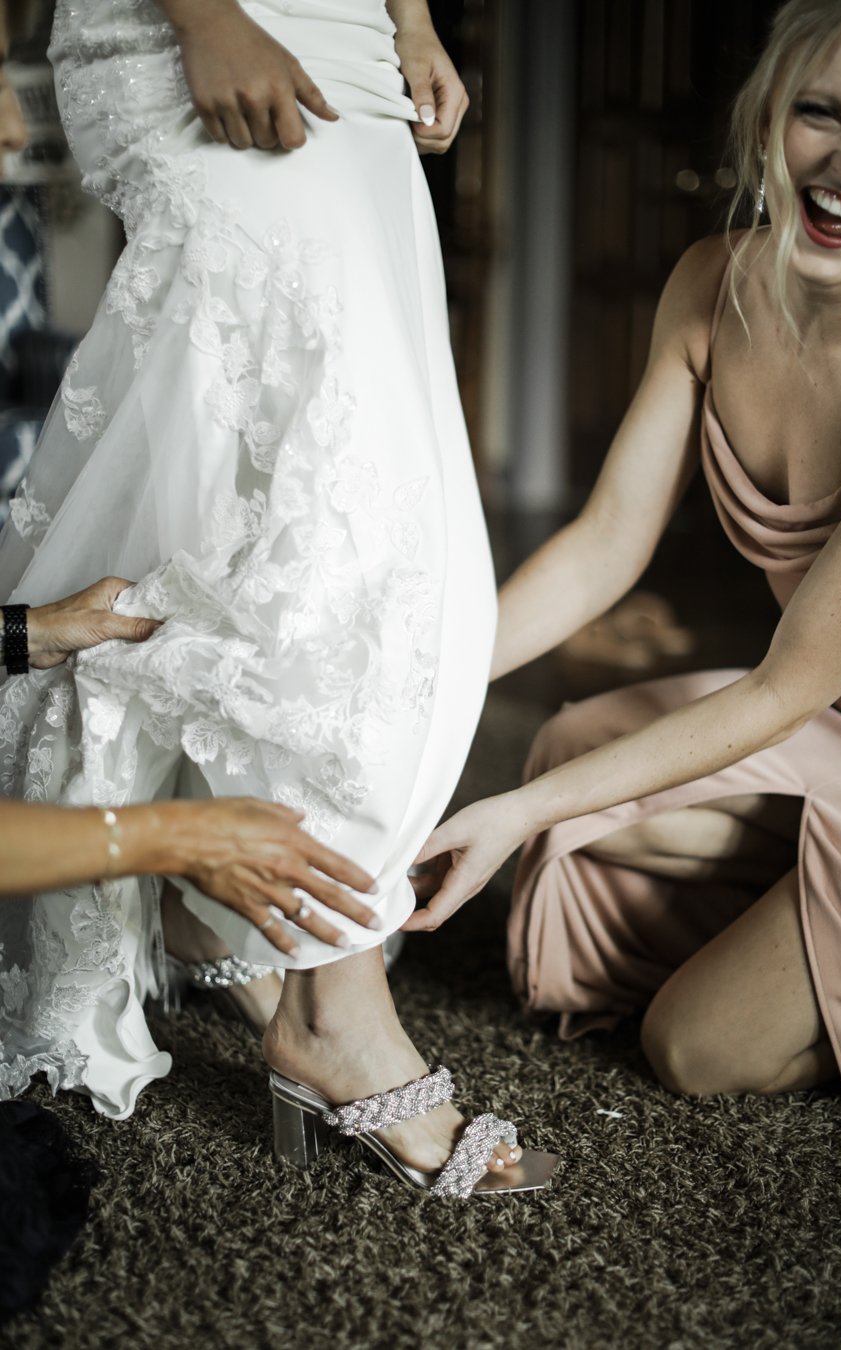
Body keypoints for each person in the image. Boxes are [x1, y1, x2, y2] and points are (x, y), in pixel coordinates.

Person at [0, 0, 555, 1196]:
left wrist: (408, 17)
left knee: (281, 498)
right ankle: (333, 1006)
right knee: (348, 516)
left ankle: (223, 916)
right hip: (204, 20)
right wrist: (204, 13)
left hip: (353, 37)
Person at [411, 0, 841, 1104]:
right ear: (768, 116)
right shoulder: (710, 282)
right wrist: (429, 687)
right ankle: (817, 884)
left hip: (810, 706)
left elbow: (779, 689)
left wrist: (516, 819)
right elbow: (601, 549)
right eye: (822, 112)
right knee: (568, 749)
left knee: (694, 1047)